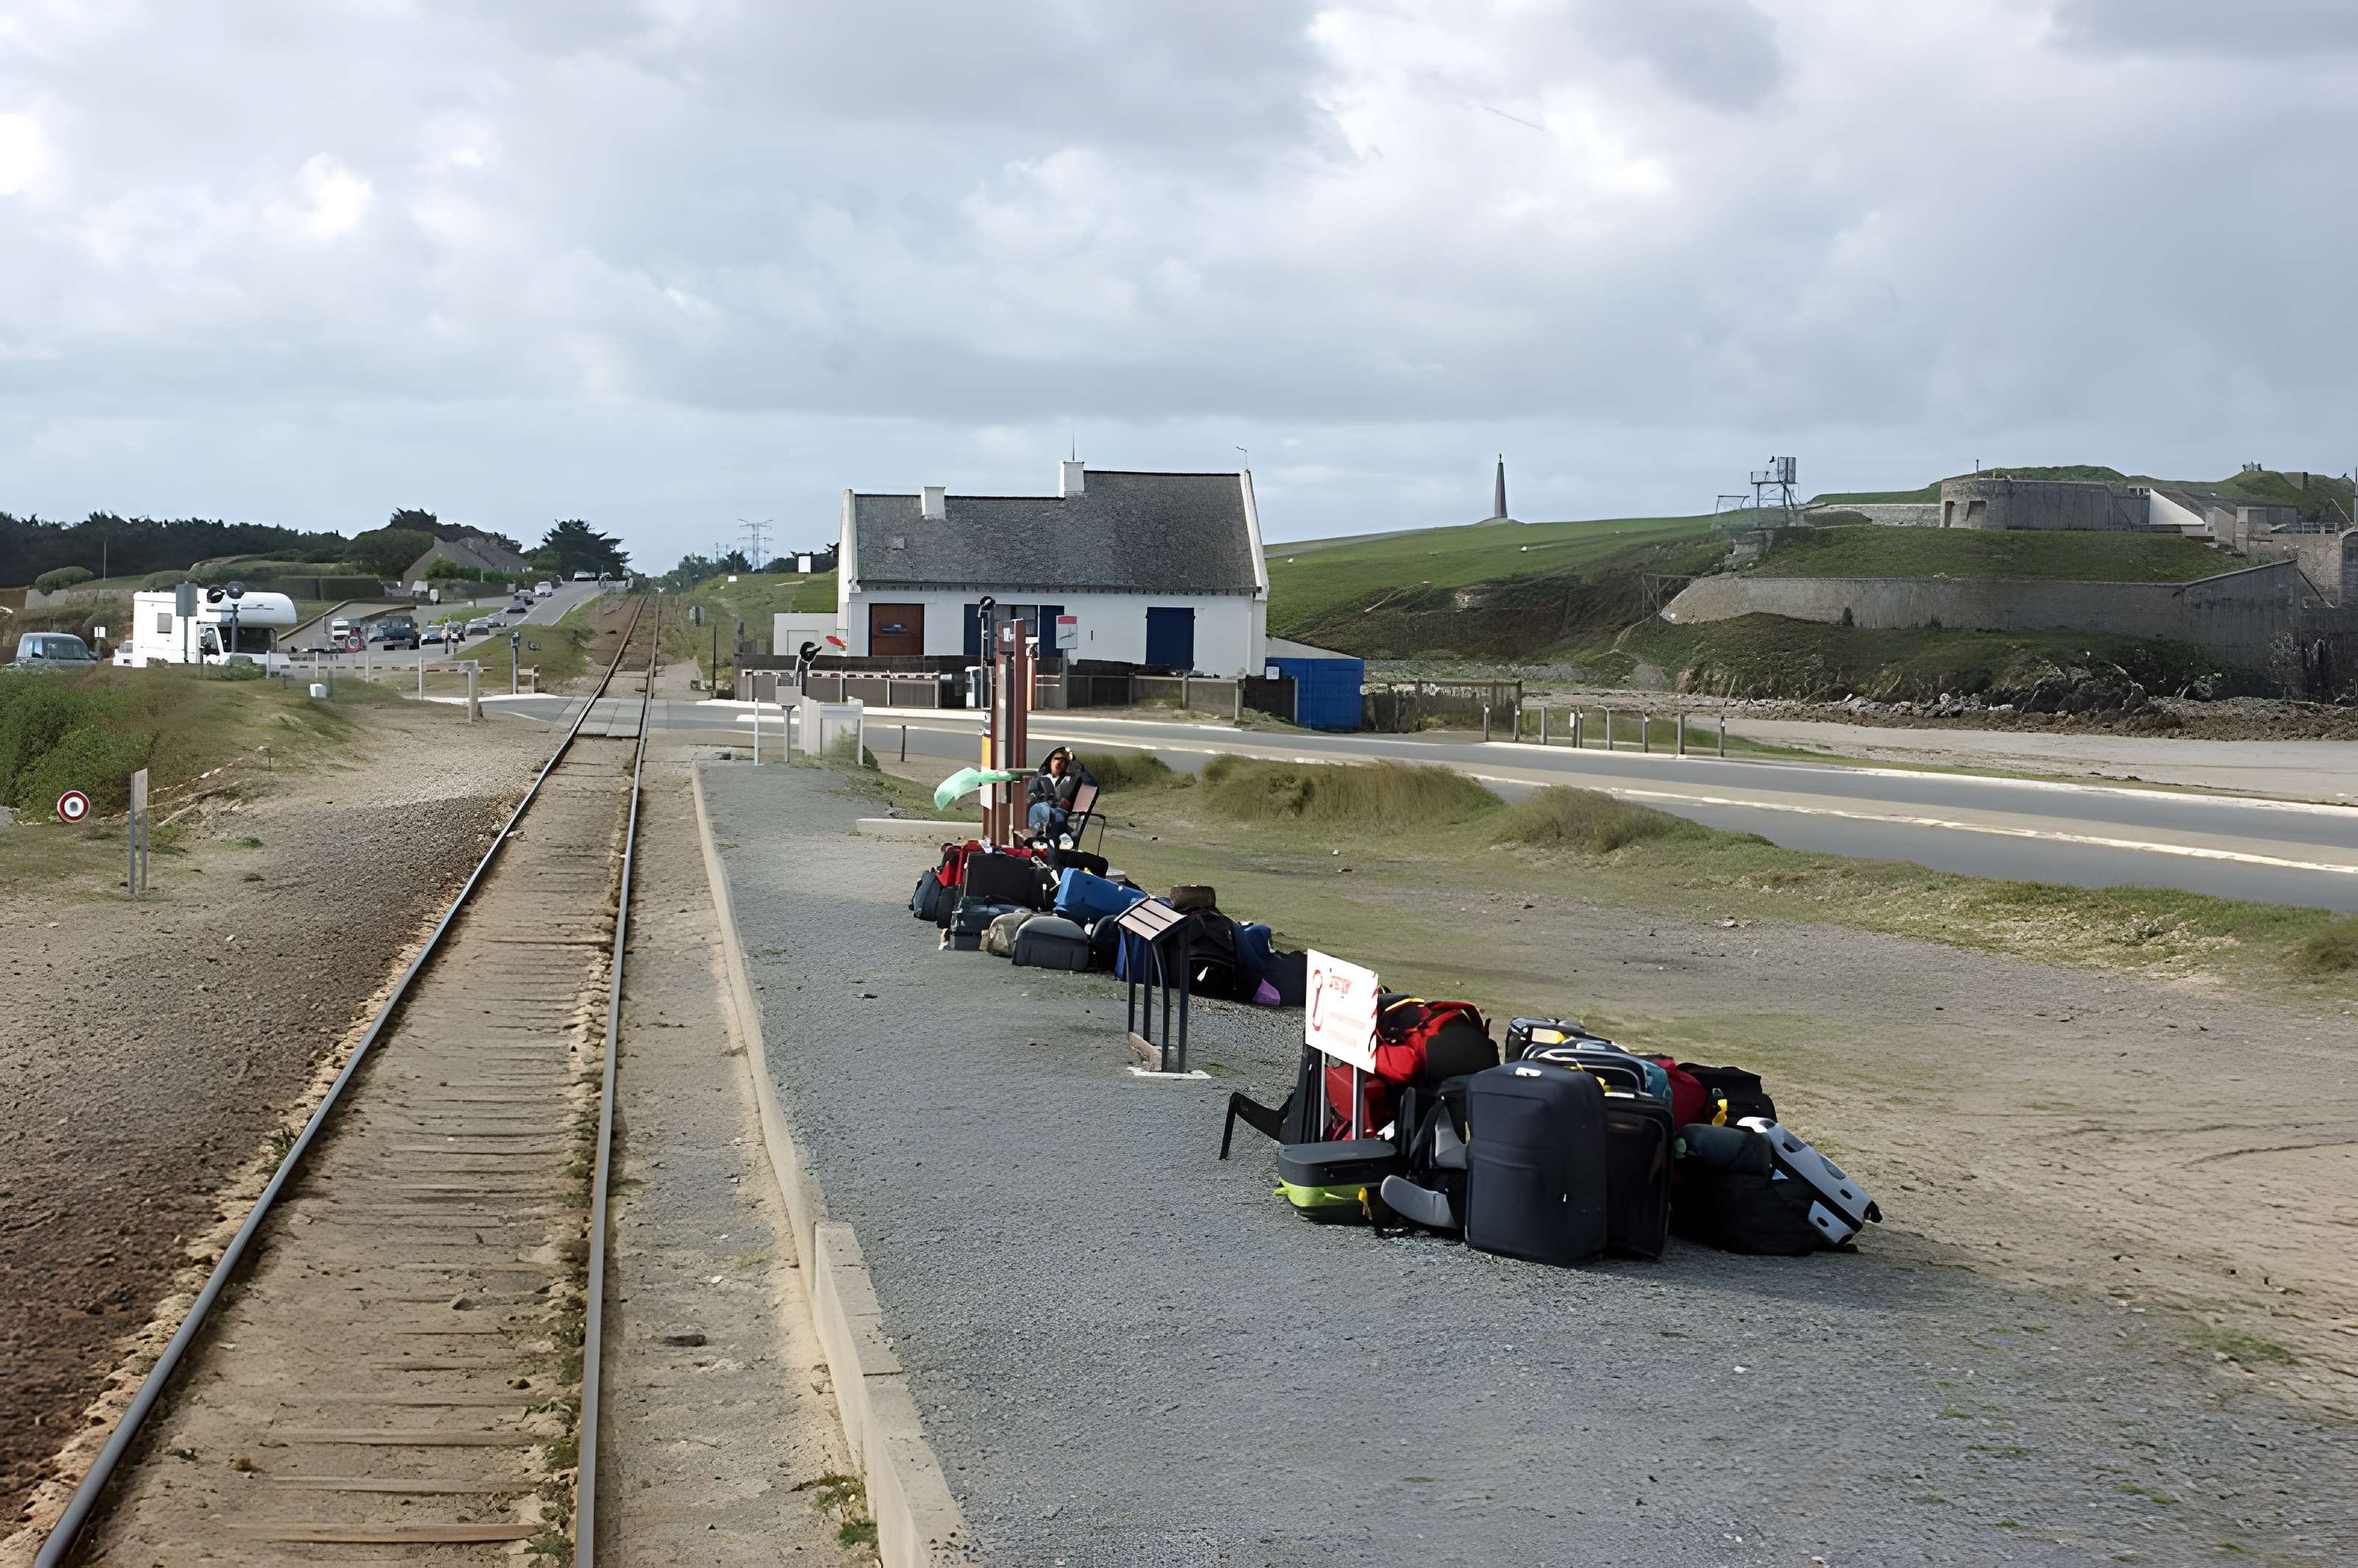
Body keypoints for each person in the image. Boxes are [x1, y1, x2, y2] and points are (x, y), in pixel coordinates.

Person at [1026, 747, 1094, 841]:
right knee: (1037, 809)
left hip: (1058, 812)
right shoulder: (1042, 778)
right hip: (1045, 811)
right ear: (1050, 761)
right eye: (1057, 759)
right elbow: (1031, 793)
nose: (1059, 763)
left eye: (1064, 761)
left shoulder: (1071, 780)